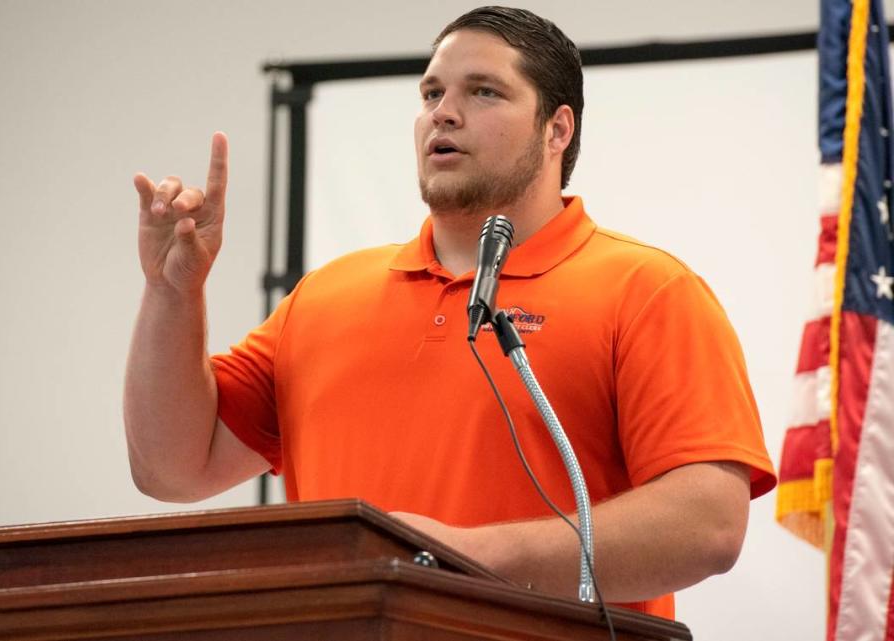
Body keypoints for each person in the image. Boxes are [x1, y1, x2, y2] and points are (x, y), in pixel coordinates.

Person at [124, 6, 776, 620]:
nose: (445, 113)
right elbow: (174, 468)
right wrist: (172, 293)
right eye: (431, 94)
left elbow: (708, 523)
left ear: (558, 128)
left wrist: (457, 558)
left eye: (483, 92)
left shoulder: (647, 288)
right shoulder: (323, 296)